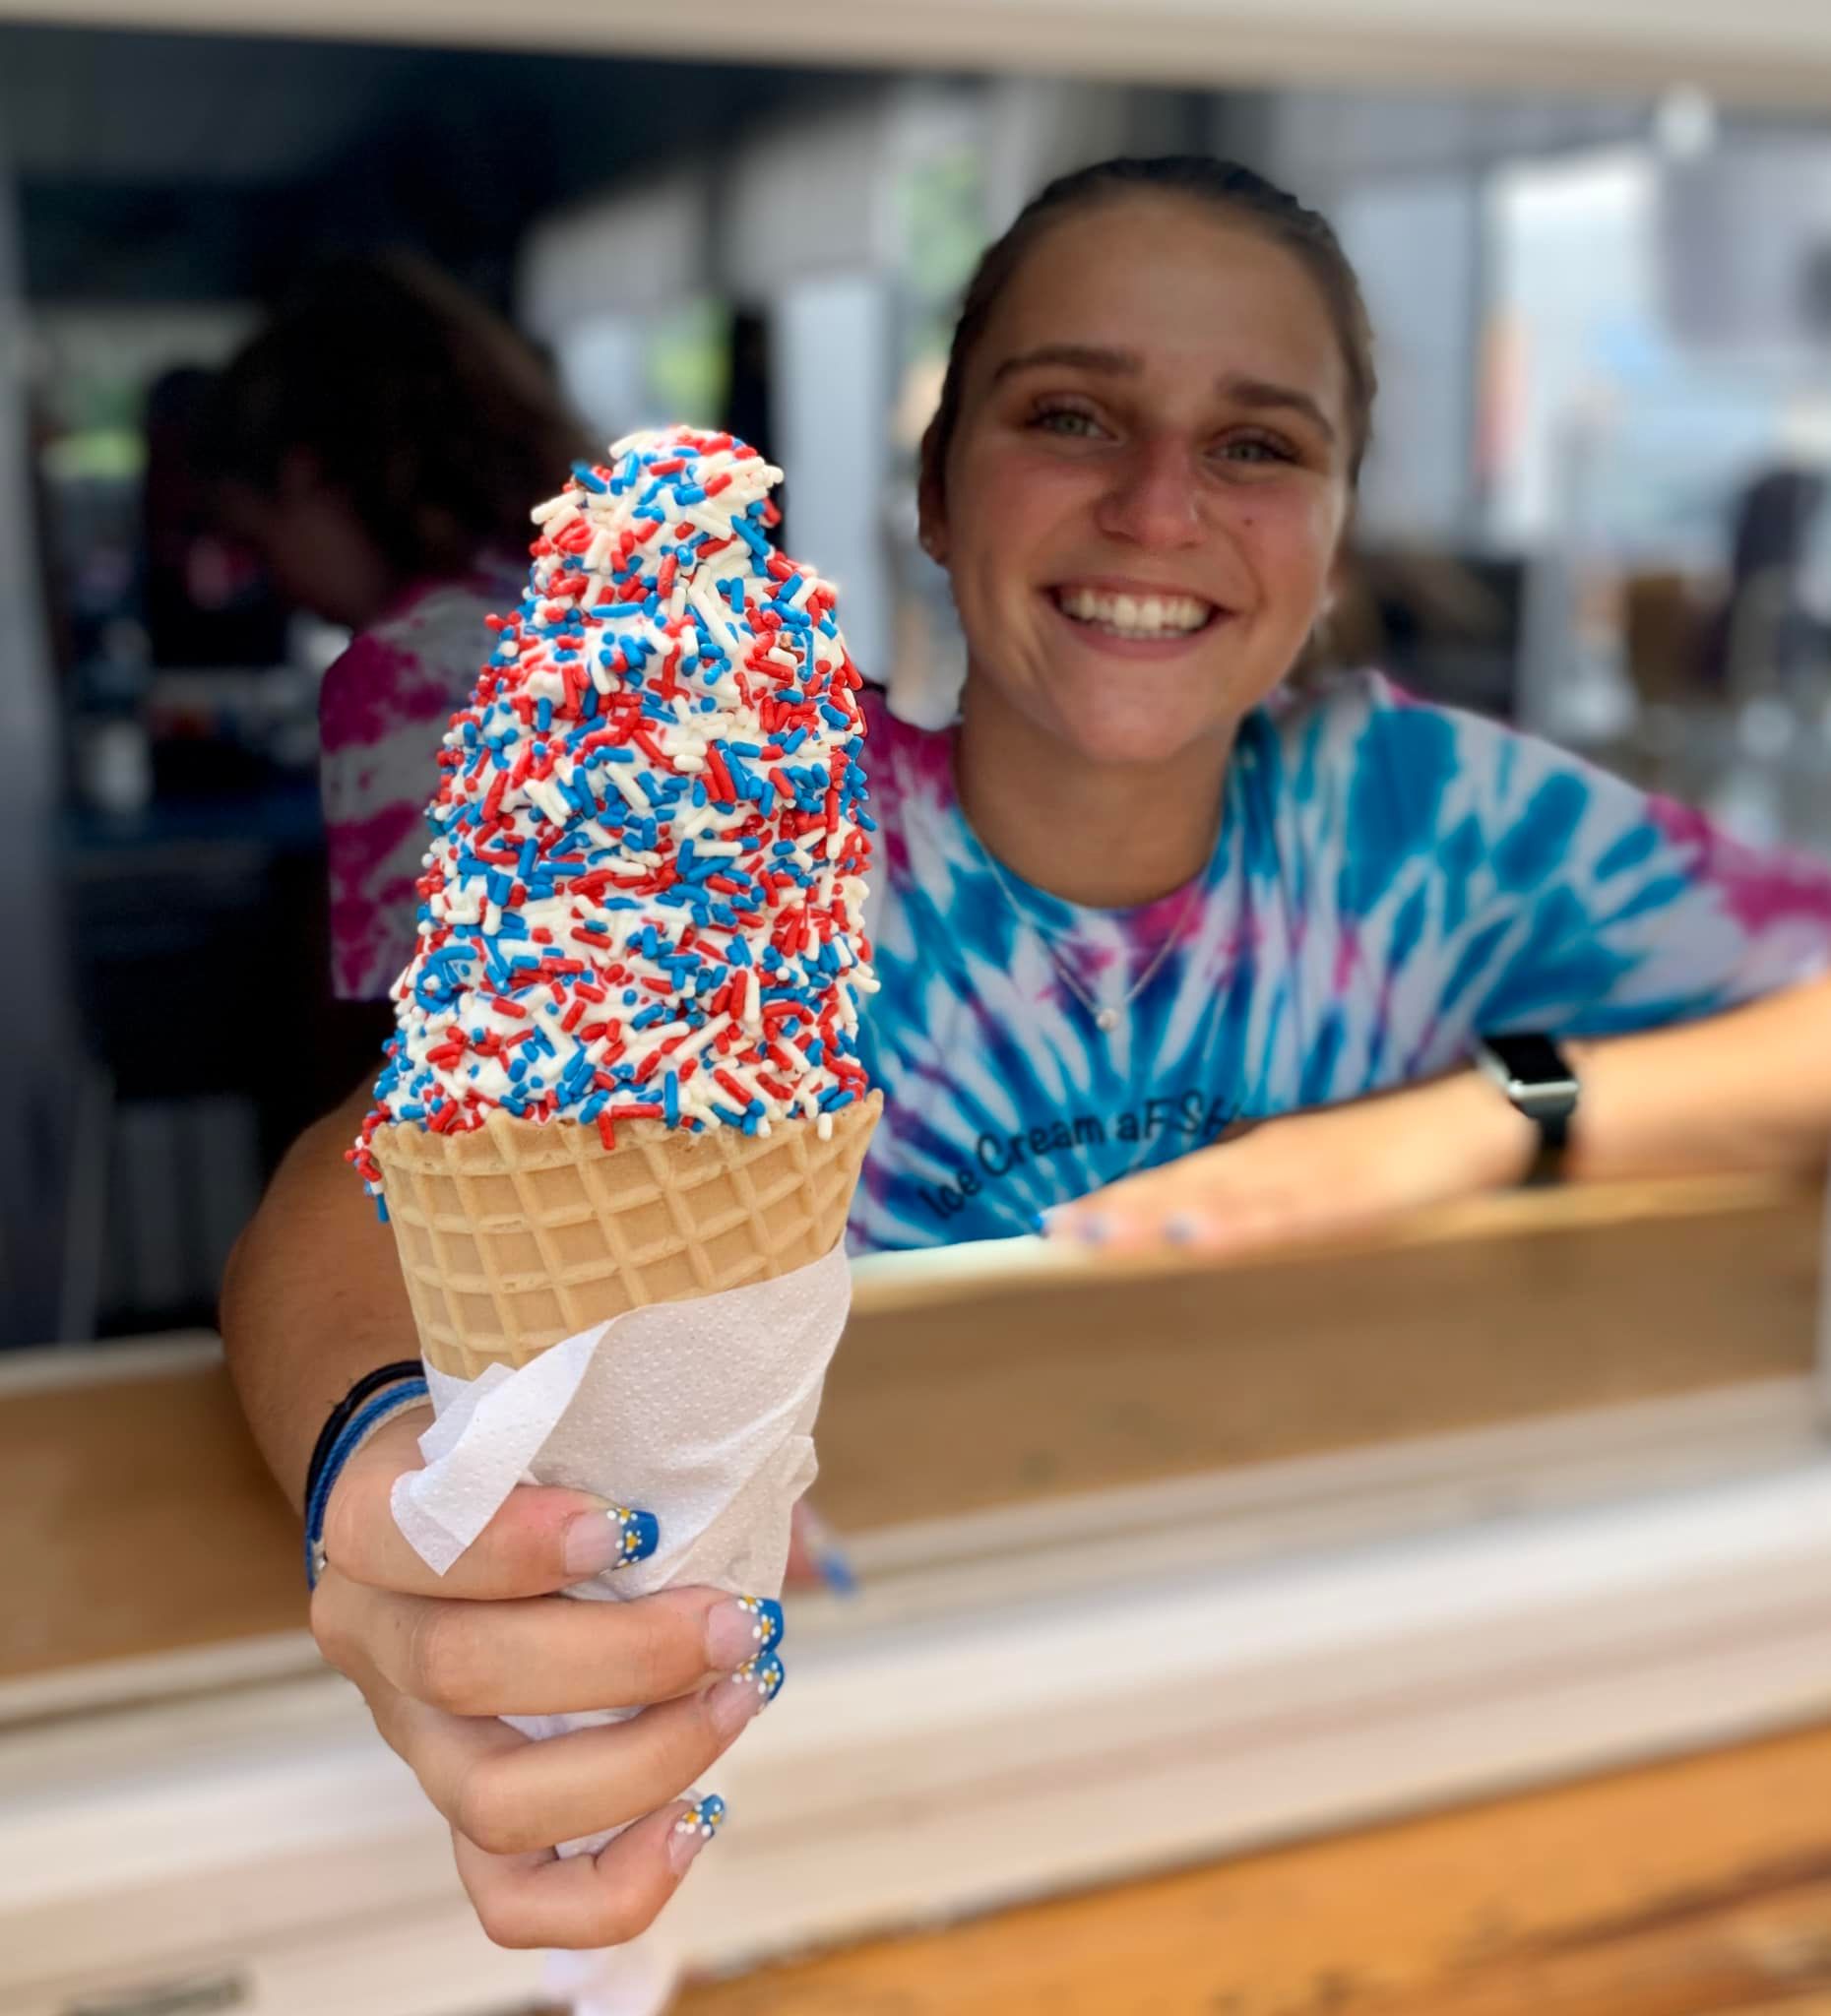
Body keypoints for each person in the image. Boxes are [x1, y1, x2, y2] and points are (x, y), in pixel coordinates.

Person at [221, 157, 1831, 1954]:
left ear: (1332, 532)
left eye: (1257, 444)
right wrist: (385, 1477)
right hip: (833, 1795)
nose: (1158, 505)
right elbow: (362, 1187)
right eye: (1072, 414)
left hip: (1360, 1727)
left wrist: (1485, 1117)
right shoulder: (753, 821)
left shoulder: (1427, 819)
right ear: (935, 487)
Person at [199, 253, 590, 1009]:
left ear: (306, 478)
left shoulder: (404, 675)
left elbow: (409, 1037)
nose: (275, 585)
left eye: (257, 541)